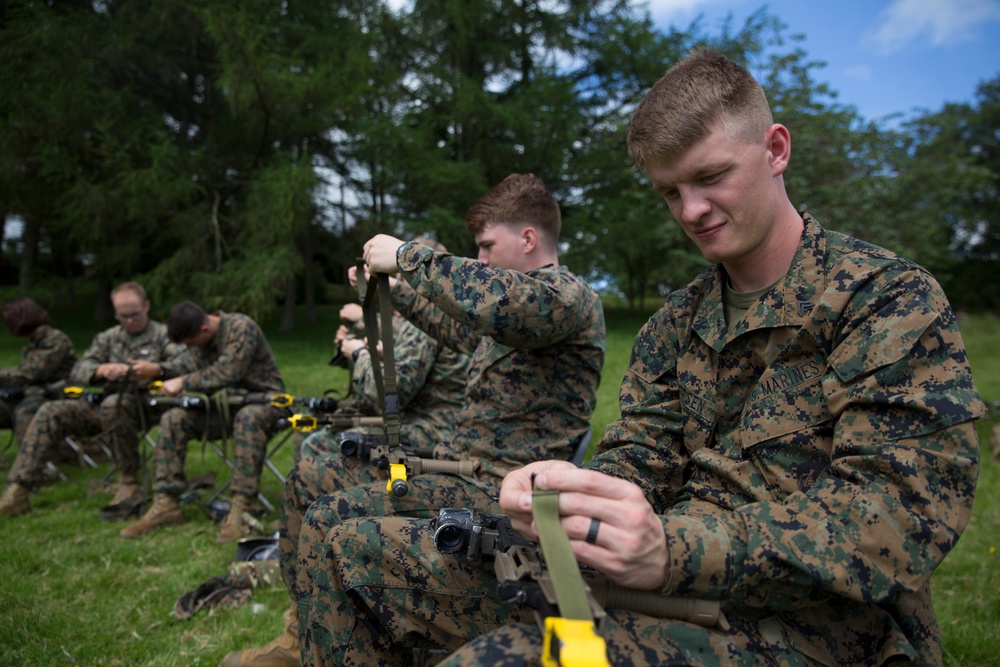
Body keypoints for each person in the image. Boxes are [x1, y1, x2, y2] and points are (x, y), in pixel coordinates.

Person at [302, 49, 986, 667]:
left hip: (825, 627)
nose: (691, 210)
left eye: (711, 176)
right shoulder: (675, 325)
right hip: (656, 586)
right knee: (353, 555)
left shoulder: (883, 300)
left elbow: (898, 515)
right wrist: (571, 494)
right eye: (669, 192)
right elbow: (639, 455)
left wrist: (676, 548)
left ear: (776, 148)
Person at [219, 173, 606, 667]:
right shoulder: (511, 317)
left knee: (325, 521)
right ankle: (302, 640)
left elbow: (496, 303)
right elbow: (456, 321)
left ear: (528, 238)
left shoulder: (566, 296)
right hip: (461, 468)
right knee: (307, 480)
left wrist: (407, 256)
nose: (481, 258)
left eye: (487, 246)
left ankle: (327, 646)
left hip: (500, 487)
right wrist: (393, 292)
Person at [1, 282, 194, 517]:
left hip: (150, 406)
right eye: (123, 316)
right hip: (105, 404)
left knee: (115, 406)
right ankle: (19, 489)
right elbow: (80, 368)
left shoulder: (164, 336)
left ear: (146, 306)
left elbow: (187, 364)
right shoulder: (109, 338)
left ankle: (129, 481)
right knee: (52, 411)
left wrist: (157, 369)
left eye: (135, 314)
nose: (130, 321)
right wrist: (101, 371)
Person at [120, 301, 288, 544]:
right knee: (174, 418)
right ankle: (166, 503)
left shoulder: (240, 327)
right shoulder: (201, 339)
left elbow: (228, 371)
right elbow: (185, 366)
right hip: (222, 409)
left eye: (190, 343)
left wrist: (184, 383)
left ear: (205, 330)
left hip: (266, 403)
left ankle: (241, 509)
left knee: (248, 418)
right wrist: (159, 370)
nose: (189, 348)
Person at [299, 238, 471, 461]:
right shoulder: (436, 316)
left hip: (433, 432)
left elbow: (390, 396)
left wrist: (359, 354)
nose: (397, 284)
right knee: (319, 428)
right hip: (426, 423)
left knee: (318, 445)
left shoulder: (423, 325)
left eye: (403, 277)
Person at [0, 297, 77, 472]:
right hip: (32, 393)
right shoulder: (34, 343)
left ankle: (35, 469)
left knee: (25, 412)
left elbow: (32, 373)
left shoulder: (55, 340)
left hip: (55, 394)